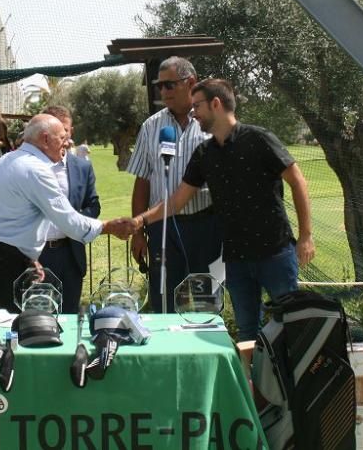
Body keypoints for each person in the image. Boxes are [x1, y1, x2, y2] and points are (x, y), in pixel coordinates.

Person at [129, 79, 314, 340]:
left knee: (291, 327)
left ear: (216, 104)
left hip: (275, 253)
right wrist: (139, 221)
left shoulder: (260, 139)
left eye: (197, 106)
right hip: (236, 260)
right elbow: (178, 200)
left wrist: (305, 236)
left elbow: (298, 182)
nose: (193, 113)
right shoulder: (204, 153)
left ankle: (290, 381)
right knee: (248, 331)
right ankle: (248, 381)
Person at [0, 114, 136, 311]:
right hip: (1, 261)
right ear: (46, 139)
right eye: (62, 138)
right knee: (6, 328)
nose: (67, 143)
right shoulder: (35, 169)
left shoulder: (7, 160)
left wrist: (27, 258)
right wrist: (108, 227)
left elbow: (14, 219)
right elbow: (69, 221)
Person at [125, 56, 222, 313]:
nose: (162, 91)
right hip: (162, 229)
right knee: (164, 304)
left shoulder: (212, 123)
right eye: (159, 85)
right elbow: (143, 180)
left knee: (207, 305)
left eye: (169, 85)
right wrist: (138, 232)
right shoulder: (151, 126)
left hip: (207, 228)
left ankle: (204, 351)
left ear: (190, 83)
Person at [38, 106, 100, 313]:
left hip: (70, 253)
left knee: (70, 315)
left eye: (65, 130)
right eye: (56, 130)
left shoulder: (82, 167)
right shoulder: (30, 166)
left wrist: (72, 221)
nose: (62, 136)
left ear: (71, 131)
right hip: (37, 255)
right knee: (38, 318)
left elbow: (94, 205)